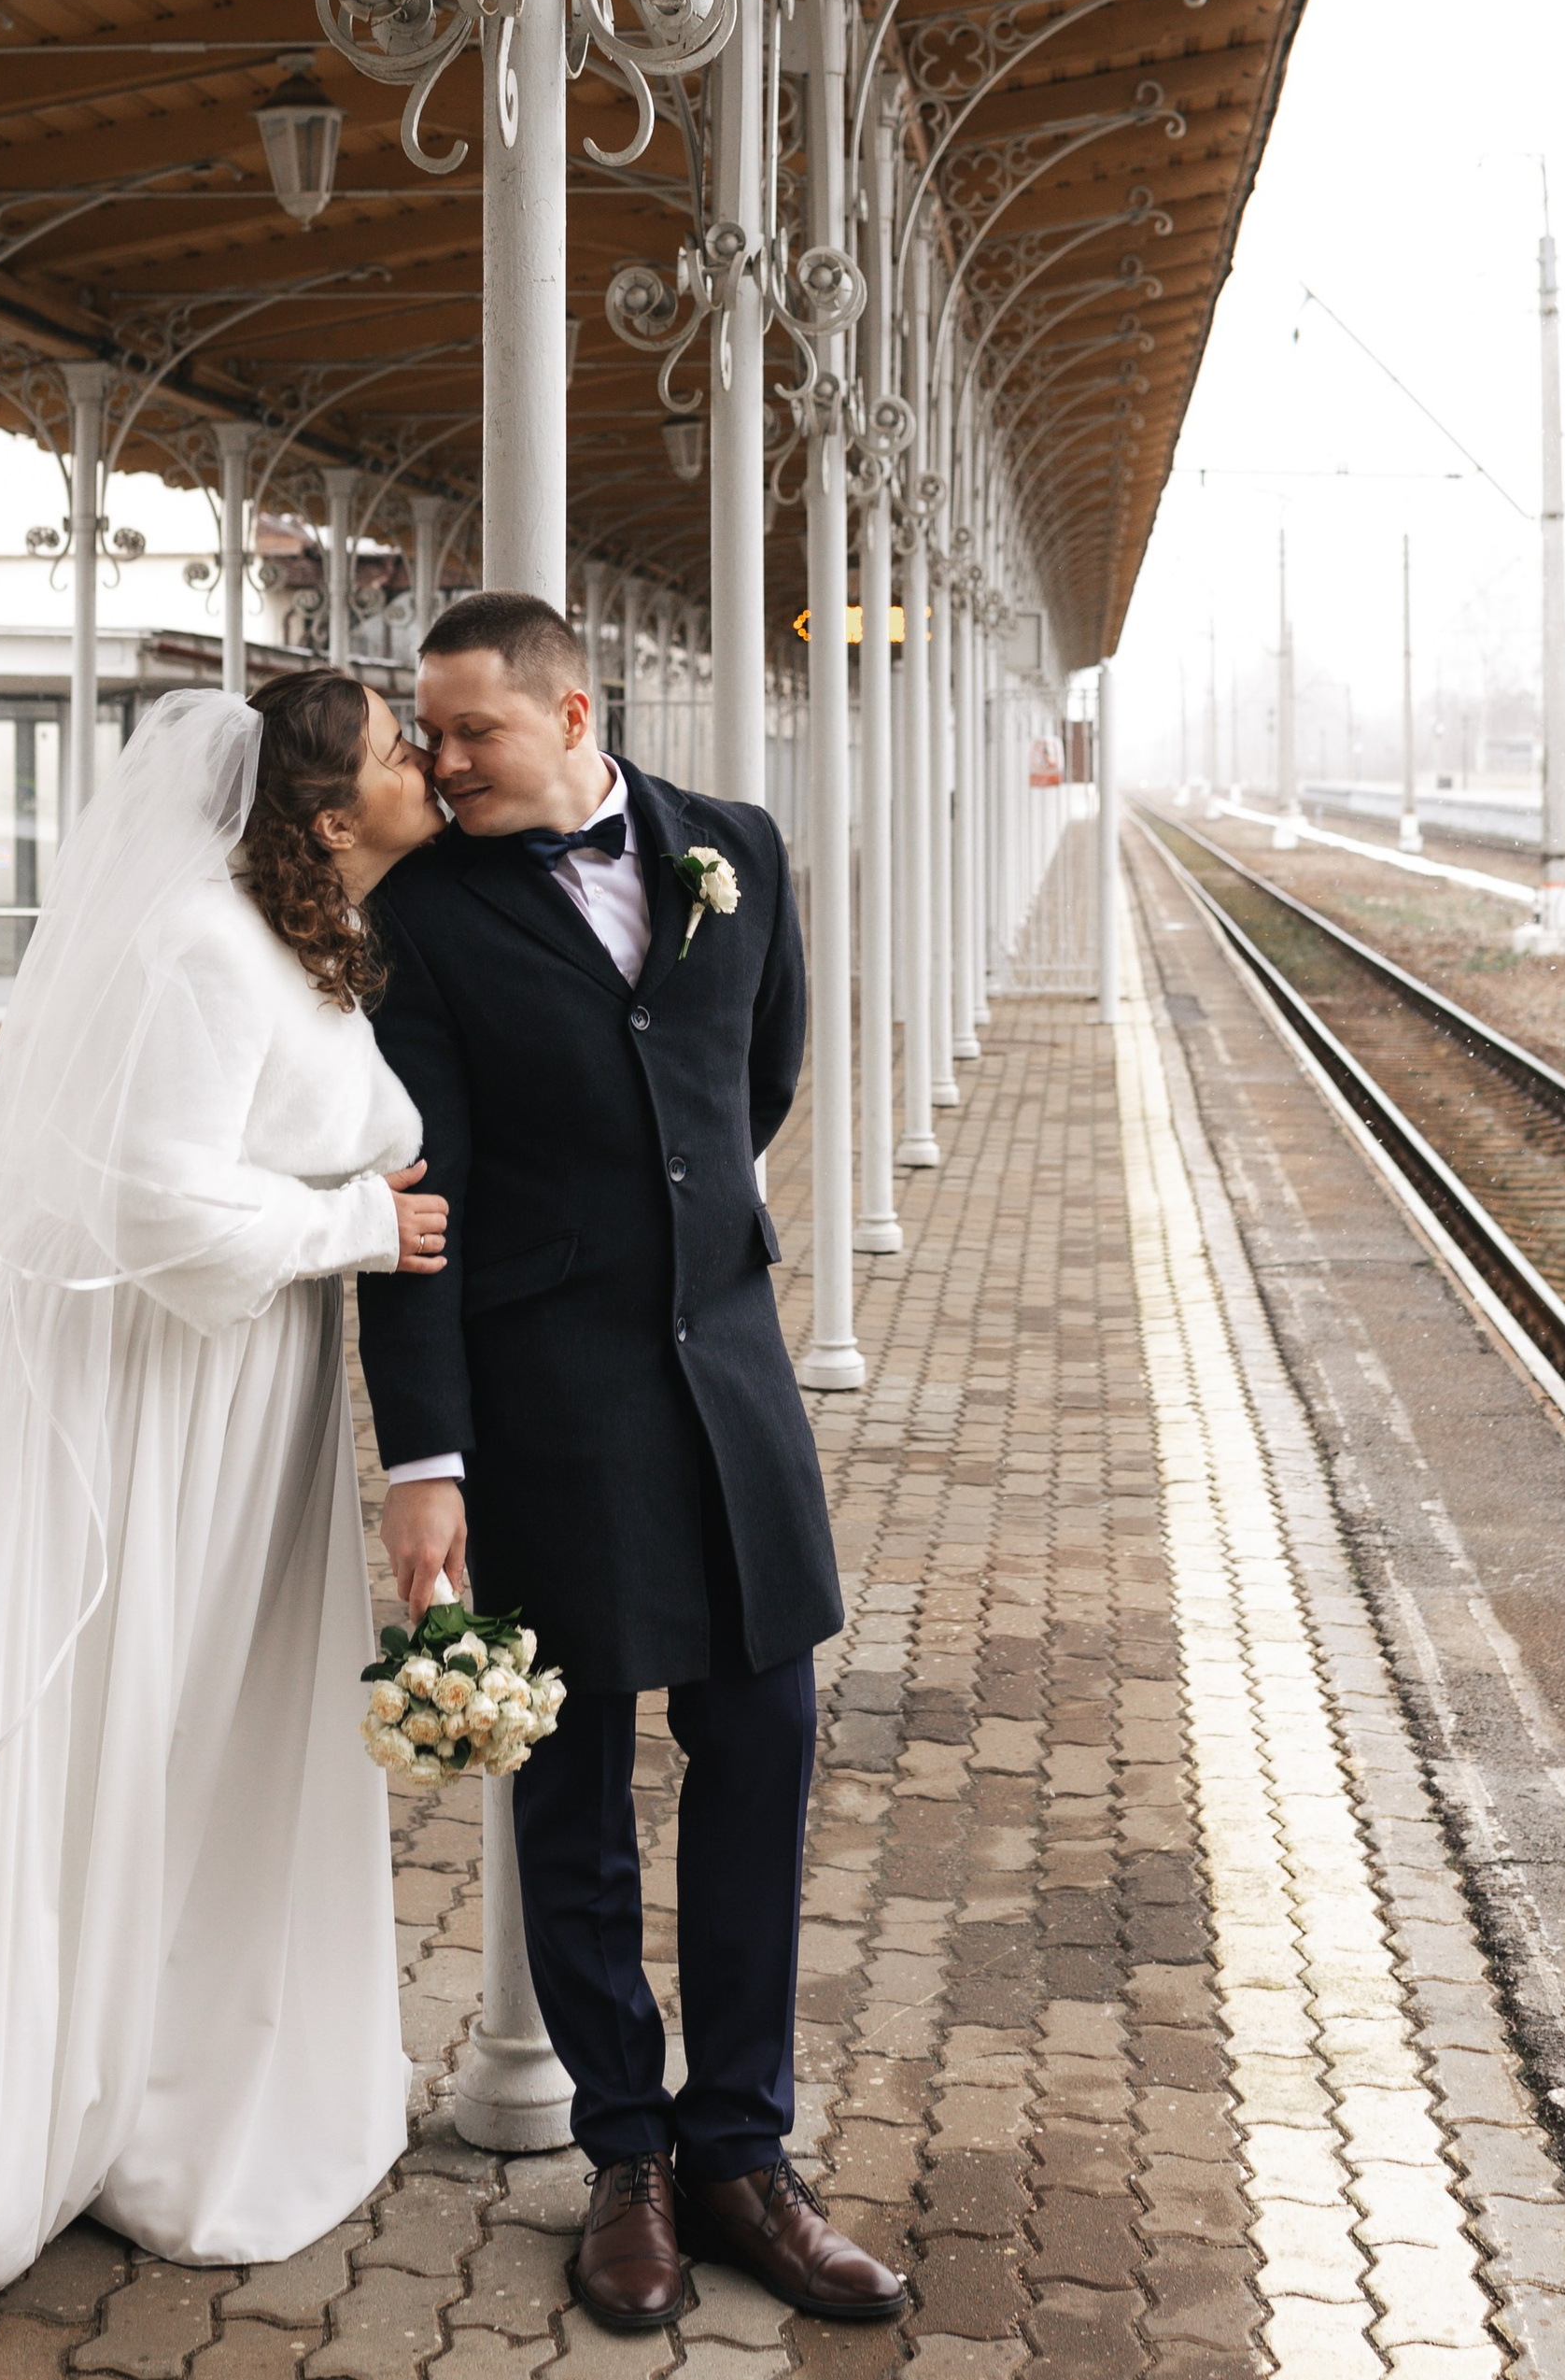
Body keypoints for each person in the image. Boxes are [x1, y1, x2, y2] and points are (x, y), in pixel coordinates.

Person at [0, 678, 449, 2345]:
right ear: (328, 807)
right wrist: (351, 1223)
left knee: (212, 1738)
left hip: (253, 1407)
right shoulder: (199, 951)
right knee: (133, 1728)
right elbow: (155, 1196)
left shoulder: (301, 937)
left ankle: (191, 2067)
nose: (421, 759)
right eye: (391, 745)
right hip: (164, 1408)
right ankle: (61, 2097)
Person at [357, 589, 908, 2333]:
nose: (439, 765)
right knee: (574, 1791)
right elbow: (413, 1210)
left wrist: (670, 1230)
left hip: (729, 1386)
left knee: (763, 1747)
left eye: (471, 734)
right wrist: (424, 1453)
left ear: (574, 712)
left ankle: (744, 2147)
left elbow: (759, 1083)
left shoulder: (732, 849)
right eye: (423, 738)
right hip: (544, 1404)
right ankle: (626, 2156)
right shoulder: (423, 918)